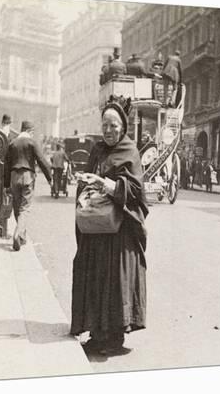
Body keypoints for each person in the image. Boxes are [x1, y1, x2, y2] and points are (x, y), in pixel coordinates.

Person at [71, 101, 148, 356]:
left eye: (113, 125)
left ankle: (114, 338)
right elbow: (89, 176)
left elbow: (136, 190)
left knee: (114, 282)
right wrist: (86, 182)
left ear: (122, 126)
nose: (108, 130)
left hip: (119, 231)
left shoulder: (129, 150)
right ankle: (96, 333)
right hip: (96, 229)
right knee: (96, 278)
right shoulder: (98, 149)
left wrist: (107, 184)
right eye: (104, 125)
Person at [4, 121, 52, 251]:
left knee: (16, 205)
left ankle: (22, 237)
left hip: (14, 176)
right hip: (27, 176)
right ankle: (18, 233)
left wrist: (6, 184)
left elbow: (6, 165)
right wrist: (49, 178)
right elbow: (41, 160)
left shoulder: (12, 143)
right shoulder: (31, 143)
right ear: (30, 131)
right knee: (25, 207)